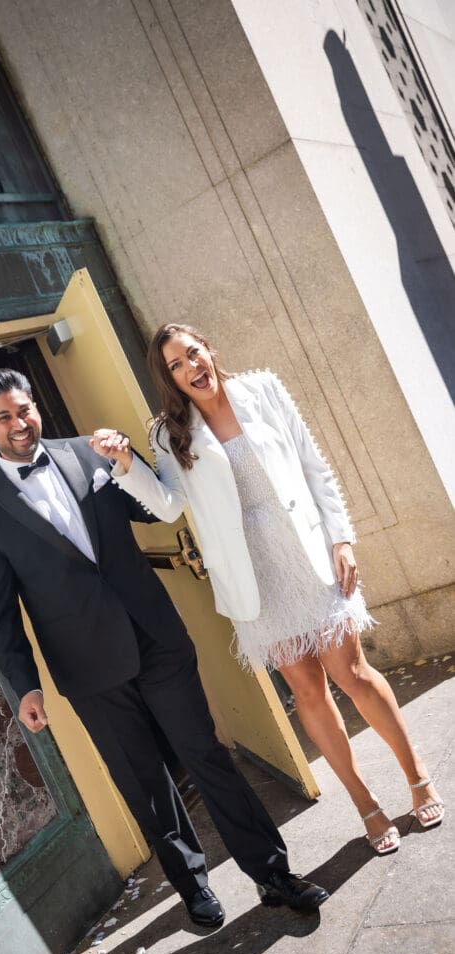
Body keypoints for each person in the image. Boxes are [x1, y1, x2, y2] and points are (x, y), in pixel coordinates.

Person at [0, 367, 330, 927]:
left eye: (24, 409)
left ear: (36, 407)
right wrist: (25, 684)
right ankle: (194, 887)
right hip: (87, 669)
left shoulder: (94, 453)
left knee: (205, 753)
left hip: (156, 637)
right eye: (3, 417)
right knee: (143, 781)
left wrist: (128, 461)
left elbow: (159, 506)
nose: (18, 423)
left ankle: (273, 874)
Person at [95, 323, 444, 855]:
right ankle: (364, 802)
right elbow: (167, 505)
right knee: (307, 690)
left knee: (352, 673)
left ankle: (417, 775)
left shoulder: (264, 389)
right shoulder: (169, 433)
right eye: (177, 365)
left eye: (195, 353)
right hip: (252, 576)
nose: (193, 367)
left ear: (210, 348)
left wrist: (342, 538)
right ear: (168, 378)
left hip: (307, 553)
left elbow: (313, 465)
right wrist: (125, 464)